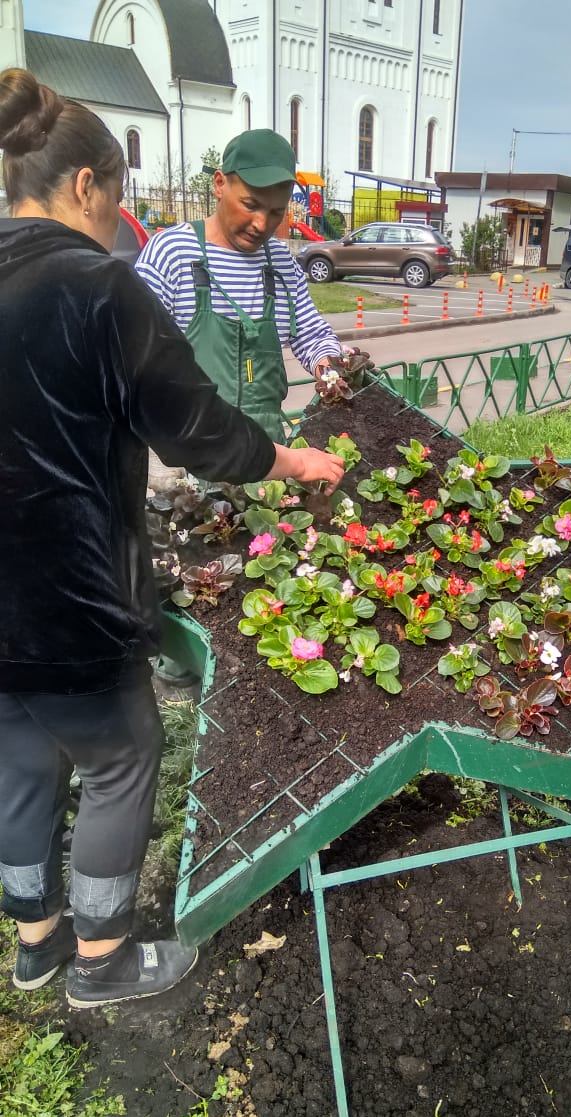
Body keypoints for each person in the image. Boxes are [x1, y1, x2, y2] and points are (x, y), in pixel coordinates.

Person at [0, 68, 344, 1008]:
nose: (118, 220)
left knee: (21, 752)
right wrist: (292, 464)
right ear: (85, 187)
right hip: (67, 586)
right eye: (115, 198)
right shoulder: (104, 286)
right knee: (120, 754)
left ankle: (36, 945)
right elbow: (200, 433)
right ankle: (103, 962)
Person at [135, 127, 342, 443]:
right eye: (250, 204)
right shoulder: (171, 253)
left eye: (276, 212)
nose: (262, 224)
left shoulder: (282, 264)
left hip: (266, 455)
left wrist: (329, 368)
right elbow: (135, 356)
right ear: (219, 184)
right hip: (188, 454)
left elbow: (311, 334)